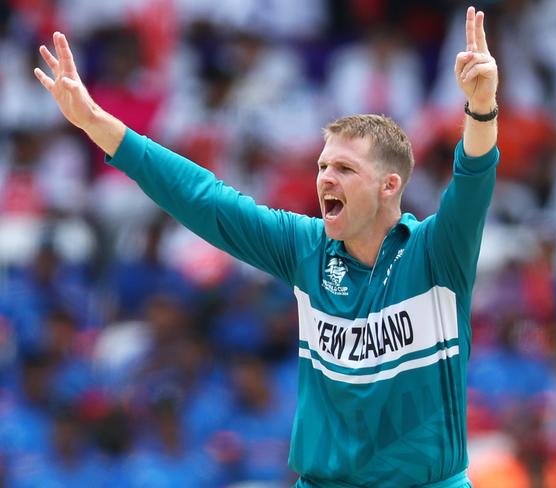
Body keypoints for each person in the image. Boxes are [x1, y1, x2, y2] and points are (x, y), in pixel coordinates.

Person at [34, 6, 498, 487]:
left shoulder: (435, 251)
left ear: (389, 185)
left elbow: (473, 178)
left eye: (344, 169)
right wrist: (95, 123)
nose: (325, 179)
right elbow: (205, 200)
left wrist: (481, 109)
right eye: (322, 167)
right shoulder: (307, 247)